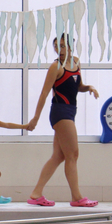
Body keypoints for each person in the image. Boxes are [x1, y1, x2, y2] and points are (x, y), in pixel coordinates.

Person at [27, 34, 99, 207]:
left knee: (58, 156)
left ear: (70, 47)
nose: (59, 50)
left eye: (62, 46)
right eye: (56, 47)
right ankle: (77, 197)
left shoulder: (75, 62)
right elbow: (44, 93)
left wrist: (89, 87)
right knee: (73, 154)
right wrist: (35, 118)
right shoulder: (55, 67)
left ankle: (36, 194)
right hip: (60, 112)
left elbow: (77, 85)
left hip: (70, 111)